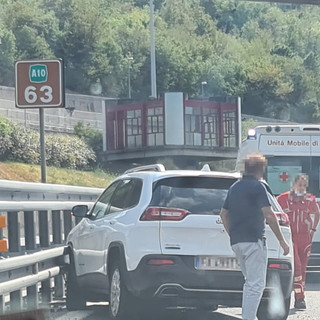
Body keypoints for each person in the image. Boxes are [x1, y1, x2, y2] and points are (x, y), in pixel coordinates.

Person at [220, 153, 290, 320]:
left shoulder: (234, 187)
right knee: (255, 285)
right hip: (253, 241)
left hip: (237, 242)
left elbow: (223, 214)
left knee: (249, 282)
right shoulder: (258, 187)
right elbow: (269, 214)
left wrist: (233, 235)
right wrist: (282, 241)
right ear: (261, 169)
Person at [277, 174, 319, 310]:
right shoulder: (283, 199)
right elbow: (274, 212)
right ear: (293, 185)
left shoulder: (310, 199)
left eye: (303, 185)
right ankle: (300, 298)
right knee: (298, 267)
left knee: (303, 268)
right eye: (299, 185)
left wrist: (313, 229)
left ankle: (298, 295)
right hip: (290, 236)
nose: (301, 188)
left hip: (305, 237)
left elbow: (317, 213)